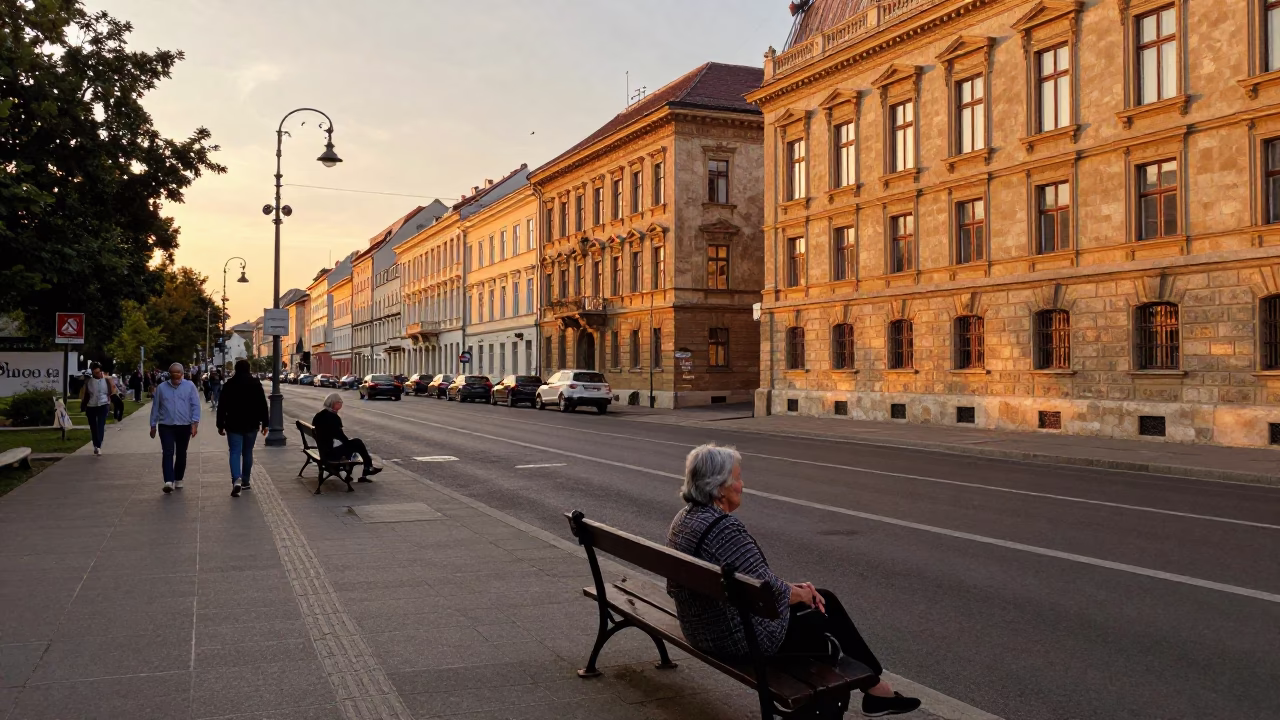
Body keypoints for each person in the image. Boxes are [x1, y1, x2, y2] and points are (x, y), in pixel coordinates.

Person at [667, 444, 921, 718]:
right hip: (735, 639)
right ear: (719, 488)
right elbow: (766, 592)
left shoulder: (685, 518)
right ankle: (875, 690)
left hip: (699, 627)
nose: (742, 484)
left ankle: (876, 688)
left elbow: (753, 580)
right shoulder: (724, 528)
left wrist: (794, 589)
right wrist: (800, 594)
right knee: (824, 619)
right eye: (737, 478)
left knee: (820, 599)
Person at [216, 360, 269, 497]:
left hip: (233, 424)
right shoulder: (256, 384)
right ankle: (245, 481)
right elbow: (262, 404)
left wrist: (220, 424)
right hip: (251, 424)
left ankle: (236, 479)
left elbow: (222, 406)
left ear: (235, 369)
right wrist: (265, 423)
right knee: (247, 452)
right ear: (249, 369)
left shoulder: (229, 385)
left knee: (234, 452)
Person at [149, 362, 201, 494]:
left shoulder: (190, 386)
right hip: (166, 425)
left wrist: (195, 423)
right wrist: (153, 424)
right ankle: (168, 481)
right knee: (167, 452)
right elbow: (156, 406)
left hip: (184, 425)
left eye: (178, 376)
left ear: (183, 374)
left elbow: (195, 405)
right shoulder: (161, 388)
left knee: (181, 453)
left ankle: (178, 478)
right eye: (173, 376)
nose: (176, 380)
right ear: (169, 375)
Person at [312, 393, 382, 481]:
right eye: (339, 402)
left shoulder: (320, 415)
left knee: (355, 444)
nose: (341, 404)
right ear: (333, 403)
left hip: (323, 450)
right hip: (330, 454)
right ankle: (367, 468)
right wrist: (350, 442)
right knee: (357, 443)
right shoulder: (333, 418)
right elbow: (341, 438)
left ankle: (365, 468)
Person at [79, 362, 116, 456]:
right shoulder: (89, 382)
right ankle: (95, 444)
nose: (98, 374)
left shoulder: (107, 380)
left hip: (103, 404)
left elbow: (112, 391)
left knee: (100, 424)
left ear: (101, 371)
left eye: (99, 372)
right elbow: (85, 395)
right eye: (95, 373)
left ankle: (98, 445)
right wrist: (83, 405)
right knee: (93, 427)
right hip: (91, 406)